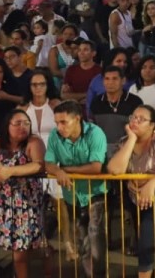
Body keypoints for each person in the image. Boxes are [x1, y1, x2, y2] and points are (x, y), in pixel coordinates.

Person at [107, 104, 155, 278]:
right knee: (153, 240)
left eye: (141, 119)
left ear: (152, 125)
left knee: (146, 240)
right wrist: (132, 139)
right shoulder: (125, 141)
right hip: (135, 198)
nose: (135, 121)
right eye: (133, 117)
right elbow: (115, 169)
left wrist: (151, 184)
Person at [0, 109, 46, 278]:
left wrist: (10, 171)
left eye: (26, 123)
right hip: (3, 204)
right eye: (17, 123)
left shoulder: (34, 142)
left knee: (21, 252)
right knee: (20, 248)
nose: (22, 127)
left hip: (26, 203)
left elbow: (38, 165)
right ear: (7, 125)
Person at [45, 101, 108, 278]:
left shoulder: (95, 133)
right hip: (72, 195)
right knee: (82, 240)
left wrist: (65, 170)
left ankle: (98, 275)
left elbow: (96, 167)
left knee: (95, 237)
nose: (59, 127)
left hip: (95, 193)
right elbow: (48, 163)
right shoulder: (55, 136)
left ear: (77, 119)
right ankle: (89, 274)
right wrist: (58, 171)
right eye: (57, 123)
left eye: (63, 122)